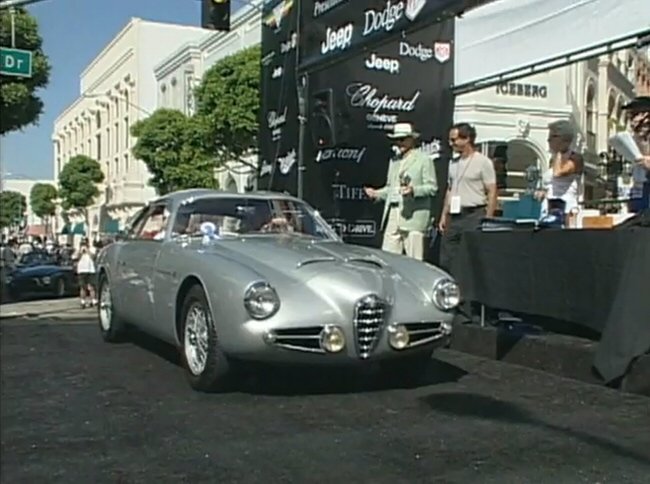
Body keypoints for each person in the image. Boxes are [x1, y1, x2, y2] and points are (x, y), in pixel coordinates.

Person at [364, 122, 437, 261]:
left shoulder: (424, 160)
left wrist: (413, 190)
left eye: (402, 139)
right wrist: (376, 193)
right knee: (388, 258)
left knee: (415, 259)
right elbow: (391, 188)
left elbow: (432, 188)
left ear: (412, 139)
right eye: (396, 140)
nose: (399, 143)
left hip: (413, 215)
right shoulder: (394, 161)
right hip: (393, 212)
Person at [439, 122, 497, 275]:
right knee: (447, 257)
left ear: (467, 139)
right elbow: (450, 189)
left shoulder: (483, 162)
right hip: (454, 215)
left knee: (470, 256)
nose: (451, 144)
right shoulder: (453, 163)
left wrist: (488, 219)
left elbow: (491, 191)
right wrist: (444, 215)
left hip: (474, 214)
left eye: (454, 140)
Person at [535, 120, 583, 218]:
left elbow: (558, 173)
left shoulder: (575, 158)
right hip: (549, 206)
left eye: (552, 137)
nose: (548, 140)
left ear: (564, 138)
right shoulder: (554, 159)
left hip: (566, 209)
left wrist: (558, 152)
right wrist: (542, 193)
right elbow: (552, 183)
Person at [76, 241, 97, 309]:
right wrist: (80, 252)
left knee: (91, 287)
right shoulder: (78, 250)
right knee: (82, 287)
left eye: (85, 244)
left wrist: (87, 251)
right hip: (81, 270)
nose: (84, 245)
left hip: (90, 270)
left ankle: (93, 301)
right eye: (83, 244)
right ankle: (83, 302)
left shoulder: (92, 249)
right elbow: (75, 257)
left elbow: (93, 257)